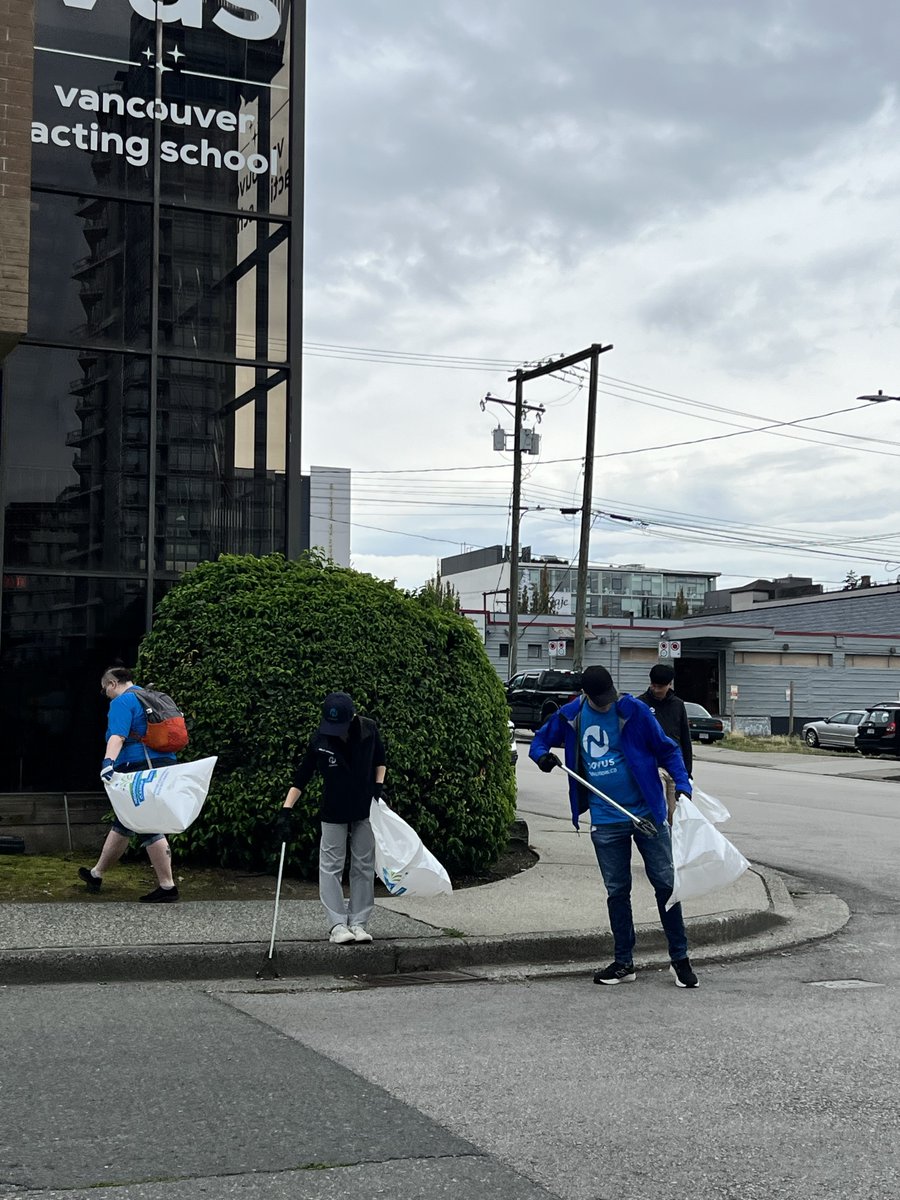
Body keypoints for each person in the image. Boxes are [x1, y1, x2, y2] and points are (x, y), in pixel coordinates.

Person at [530, 664, 698, 988]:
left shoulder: (633, 710)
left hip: (647, 814)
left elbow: (667, 748)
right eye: (601, 699)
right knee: (617, 891)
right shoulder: (572, 715)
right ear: (586, 694)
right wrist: (542, 758)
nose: (608, 703)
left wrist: (683, 784)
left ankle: (680, 960)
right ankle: (624, 963)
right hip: (606, 819)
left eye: (610, 695)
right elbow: (540, 741)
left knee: (666, 885)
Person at [273, 691, 386, 945]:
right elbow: (302, 777)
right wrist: (286, 810)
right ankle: (337, 925)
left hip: (364, 808)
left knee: (363, 865)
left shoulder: (369, 730)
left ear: (352, 717)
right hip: (333, 809)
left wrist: (378, 788)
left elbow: (380, 760)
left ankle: (358, 922)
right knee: (331, 865)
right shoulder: (320, 739)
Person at [78, 666, 179, 902]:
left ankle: (167, 886)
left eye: (104, 689)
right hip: (162, 764)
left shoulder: (122, 702)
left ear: (112, 684)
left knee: (147, 824)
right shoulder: (148, 697)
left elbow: (118, 736)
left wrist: (108, 763)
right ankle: (96, 874)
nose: (106, 694)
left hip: (137, 767)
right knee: (124, 821)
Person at [638, 662, 693, 823]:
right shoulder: (640, 704)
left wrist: (687, 771)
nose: (656, 690)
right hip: (653, 766)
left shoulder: (678, 705)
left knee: (676, 815)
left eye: (660, 687)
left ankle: (672, 838)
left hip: (675, 766)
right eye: (653, 685)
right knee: (658, 810)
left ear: (669, 685)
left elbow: (685, 738)